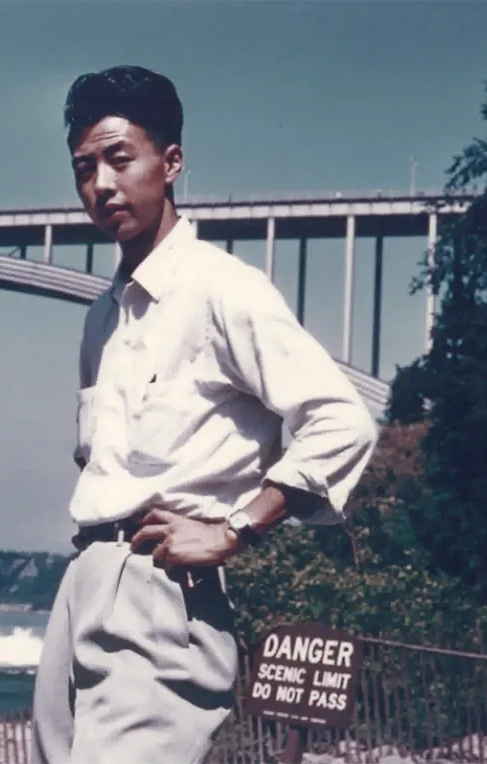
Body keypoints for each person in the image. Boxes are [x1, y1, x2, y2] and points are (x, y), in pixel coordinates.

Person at [30, 65, 380, 764]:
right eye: (84, 168)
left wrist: (235, 528)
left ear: (172, 163)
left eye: (120, 158)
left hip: (160, 588)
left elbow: (343, 420)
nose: (101, 185)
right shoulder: (103, 316)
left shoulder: (224, 290)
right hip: (84, 583)